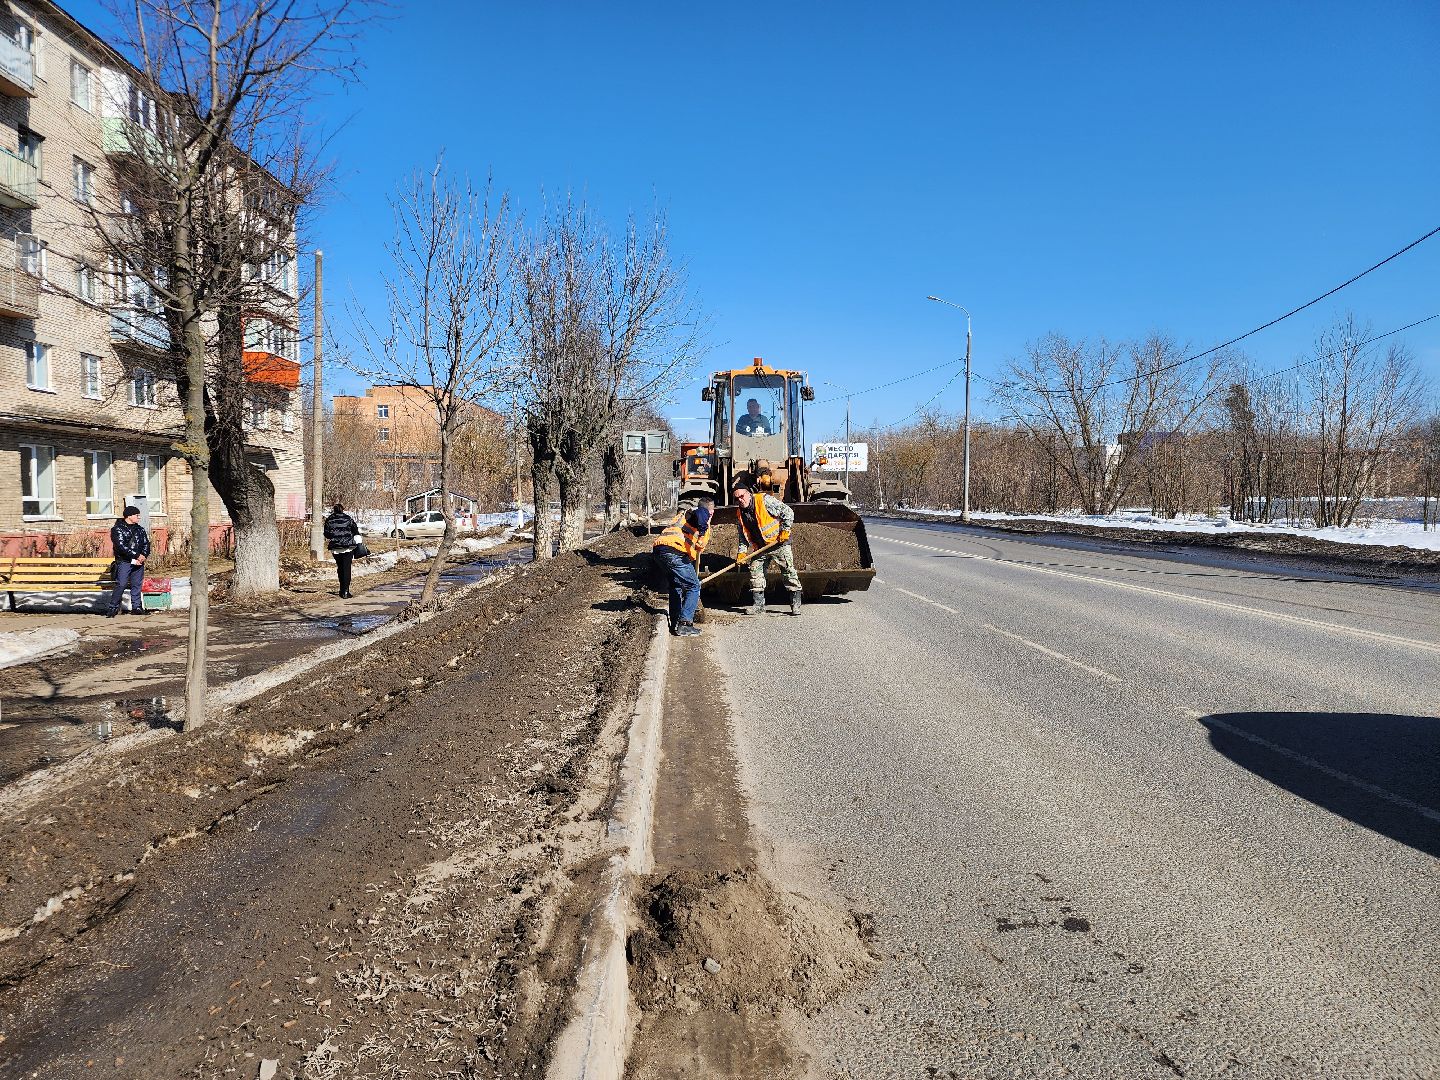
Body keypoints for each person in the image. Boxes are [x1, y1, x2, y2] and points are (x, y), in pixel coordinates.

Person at [732, 482, 801, 616]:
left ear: (748, 494)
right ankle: (758, 606)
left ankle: (795, 605)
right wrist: (742, 553)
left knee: (788, 572)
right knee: (755, 572)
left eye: (742, 496)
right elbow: (743, 536)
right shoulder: (740, 513)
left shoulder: (764, 500)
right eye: (737, 498)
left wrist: (785, 531)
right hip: (760, 548)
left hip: (779, 543)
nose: (740, 500)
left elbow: (788, 512)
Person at [652, 498, 713, 637]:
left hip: (659, 551)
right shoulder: (700, 512)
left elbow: (693, 542)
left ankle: (675, 622)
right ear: (711, 511)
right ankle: (685, 624)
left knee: (676, 585)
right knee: (694, 586)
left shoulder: (682, 516)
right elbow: (701, 514)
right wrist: (702, 534)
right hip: (674, 552)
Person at [106, 505, 151, 617]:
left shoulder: (140, 529)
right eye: (137, 515)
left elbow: (146, 543)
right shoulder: (117, 529)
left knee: (137, 585)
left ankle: (137, 607)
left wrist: (143, 555)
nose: (139, 517)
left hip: (139, 562)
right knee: (121, 584)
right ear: (129, 516)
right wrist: (136, 555)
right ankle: (113, 607)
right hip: (124, 561)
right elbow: (121, 546)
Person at [323, 502, 362, 598]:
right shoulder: (348, 518)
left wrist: (335, 536)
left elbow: (327, 534)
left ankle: (341, 589)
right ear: (342, 509)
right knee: (346, 569)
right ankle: (345, 591)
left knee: (340, 568)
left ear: (334, 510)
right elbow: (355, 531)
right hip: (348, 547)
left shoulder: (329, 519)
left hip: (335, 548)